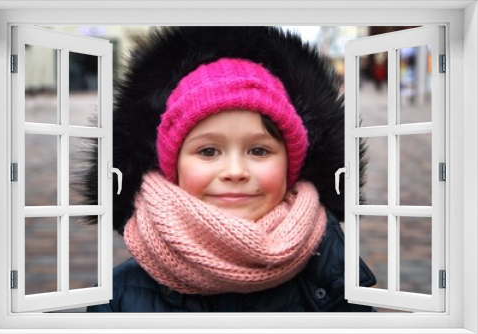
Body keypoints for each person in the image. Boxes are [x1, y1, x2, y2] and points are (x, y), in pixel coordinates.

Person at [79, 26, 376, 312]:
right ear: (173, 166)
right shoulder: (118, 296)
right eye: (208, 151)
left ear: (290, 165)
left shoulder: (335, 277)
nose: (235, 171)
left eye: (258, 150)